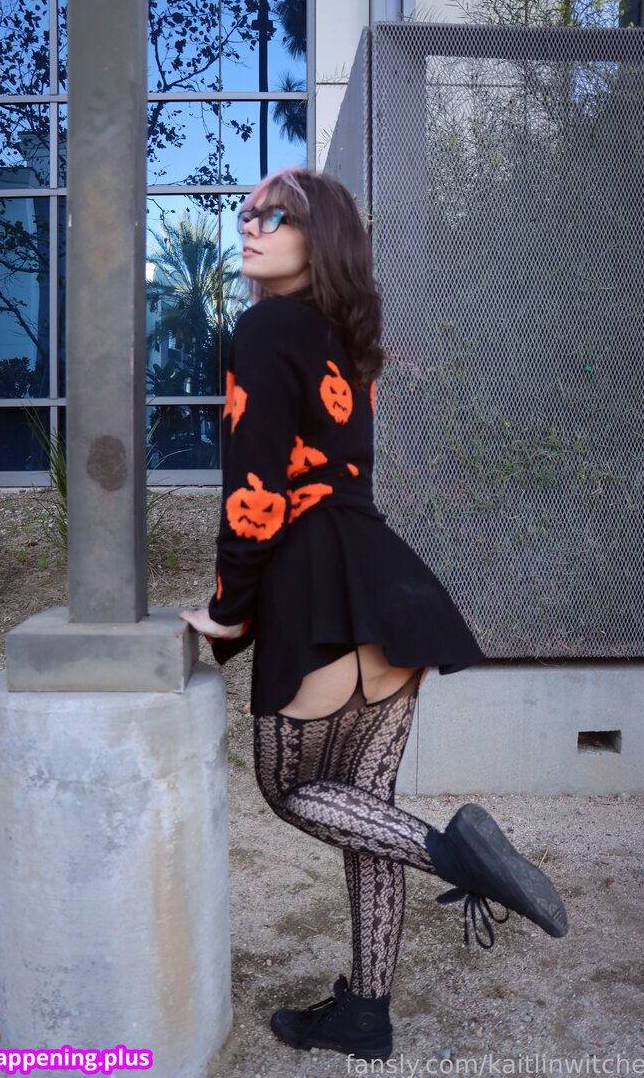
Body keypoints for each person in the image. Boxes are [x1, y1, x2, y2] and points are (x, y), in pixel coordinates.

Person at [180, 167, 568, 1064]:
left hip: (314, 587)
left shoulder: (263, 328)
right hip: (383, 582)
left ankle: (455, 857)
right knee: (363, 812)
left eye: (275, 215)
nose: (250, 226)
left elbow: (255, 490)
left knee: (292, 791)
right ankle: (365, 1013)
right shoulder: (346, 337)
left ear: (321, 237)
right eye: (246, 213)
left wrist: (229, 610)